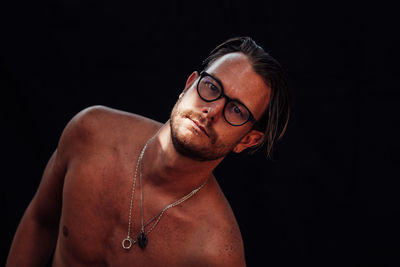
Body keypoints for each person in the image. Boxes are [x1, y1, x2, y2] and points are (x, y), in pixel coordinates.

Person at [7, 37, 290, 267]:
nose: (212, 110)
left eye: (236, 110)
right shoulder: (91, 134)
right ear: (189, 85)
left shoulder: (215, 252)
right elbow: (40, 220)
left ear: (248, 140)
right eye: (212, 87)